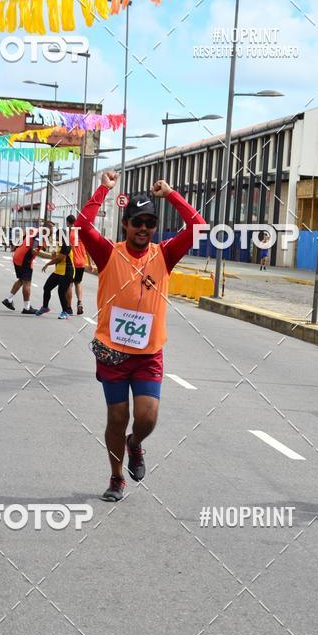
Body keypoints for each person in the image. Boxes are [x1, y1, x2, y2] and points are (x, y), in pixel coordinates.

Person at [75, 170, 206, 502]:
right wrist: (103, 189)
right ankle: (117, 477)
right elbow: (82, 226)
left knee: (146, 418)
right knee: (117, 418)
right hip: (113, 354)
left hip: (148, 354)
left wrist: (172, 193)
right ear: (125, 224)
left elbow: (198, 226)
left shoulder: (164, 255)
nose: (143, 228)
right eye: (137, 222)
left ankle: (136, 444)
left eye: (149, 223)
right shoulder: (108, 253)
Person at [2, 226, 43, 314]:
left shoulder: (34, 230)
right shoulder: (40, 234)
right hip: (25, 259)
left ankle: (8, 300)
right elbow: (34, 250)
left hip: (18, 255)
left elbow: (22, 238)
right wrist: (50, 256)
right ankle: (27, 308)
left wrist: (15, 247)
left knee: (21, 280)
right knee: (27, 283)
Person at [35, 233, 74, 319]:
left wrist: (47, 264)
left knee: (61, 291)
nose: (55, 238)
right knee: (47, 287)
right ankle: (45, 307)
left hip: (67, 272)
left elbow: (60, 259)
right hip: (58, 271)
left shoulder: (66, 245)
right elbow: (57, 257)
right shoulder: (59, 245)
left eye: (57, 236)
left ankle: (65, 312)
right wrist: (53, 255)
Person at [65, 213, 89, 315]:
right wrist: (91, 263)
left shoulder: (69, 234)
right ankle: (79, 303)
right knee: (78, 283)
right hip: (81, 263)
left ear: (68, 222)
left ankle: (69, 307)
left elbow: (66, 249)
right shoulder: (82, 234)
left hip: (72, 263)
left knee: (69, 284)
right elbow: (88, 249)